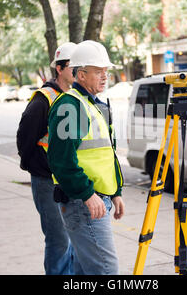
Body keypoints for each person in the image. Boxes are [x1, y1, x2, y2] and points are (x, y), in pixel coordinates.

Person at [47, 40, 125, 275]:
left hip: (96, 200)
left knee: (84, 273)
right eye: (98, 71)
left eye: (106, 71)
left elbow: (106, 153)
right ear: (81, 74)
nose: (105, 76)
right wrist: (87, 194)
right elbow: (61, 161)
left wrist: (116, 191)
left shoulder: (93, 104)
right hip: (84, 203)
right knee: (106, 271)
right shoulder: (70, 106)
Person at [16, 42, 77, 275]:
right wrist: (37, 166)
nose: (77, 71)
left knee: (72, 238)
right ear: (59, 69)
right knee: (59, 240)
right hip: (47, 181)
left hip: (68, 179)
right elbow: (24, 138)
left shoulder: (74, 97)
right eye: (73, 67)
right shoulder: (44, 99)